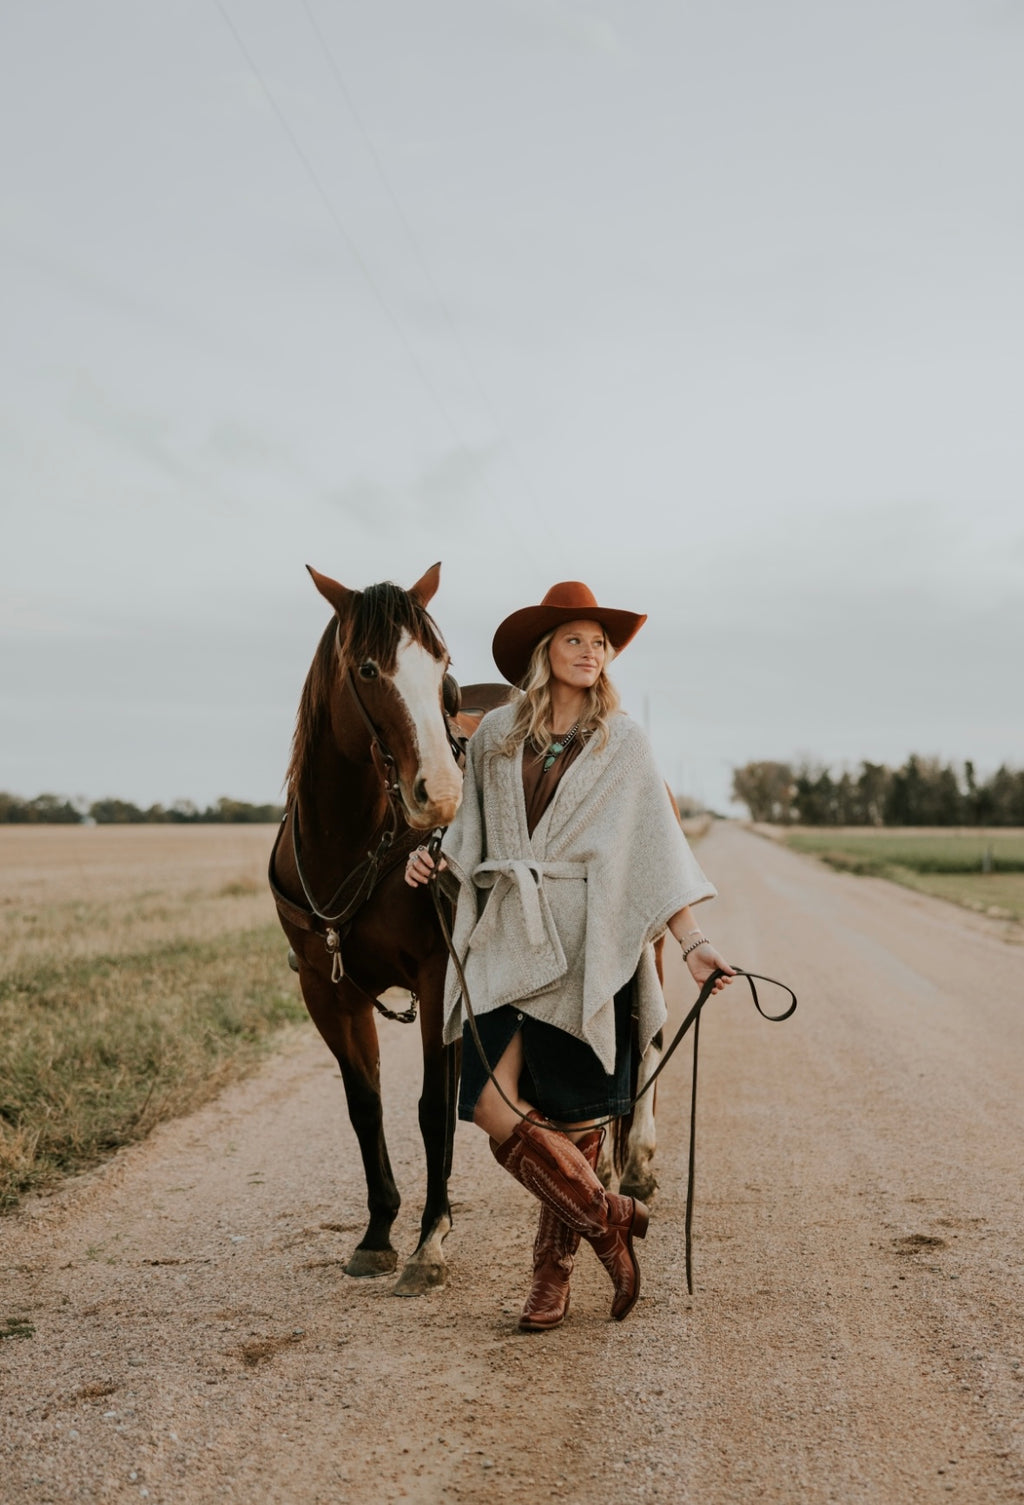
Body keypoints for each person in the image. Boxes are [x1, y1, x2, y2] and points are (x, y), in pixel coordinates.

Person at [405, 580, 733, 1329]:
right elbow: (471, 836)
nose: (591, 653)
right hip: (507, 934)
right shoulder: (493, 738)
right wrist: (435, 862)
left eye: (600, 642)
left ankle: (549, 1282)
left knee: (572, 1120)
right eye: (575, 640)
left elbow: (656, 851)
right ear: (543, 652)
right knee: (489, 1104)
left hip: (588, 945)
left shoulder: (625, 743)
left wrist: (694, 943)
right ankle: (608, 1217)